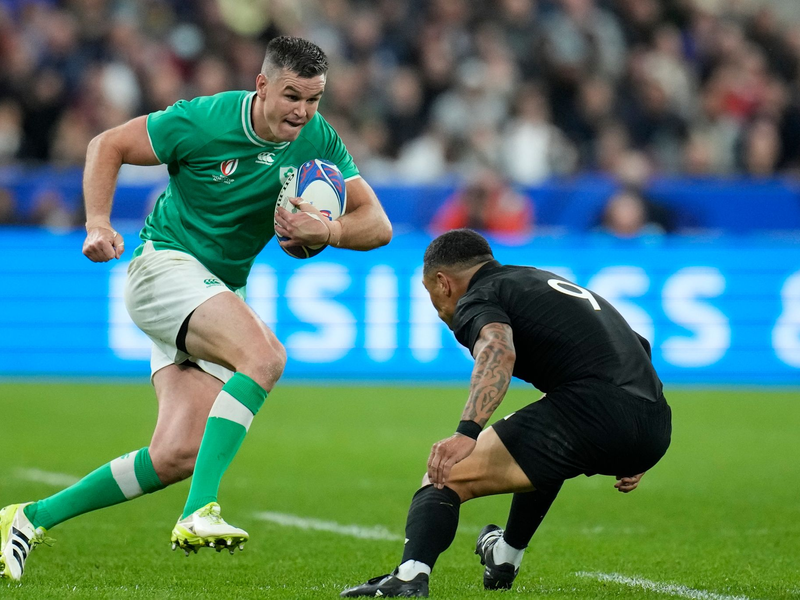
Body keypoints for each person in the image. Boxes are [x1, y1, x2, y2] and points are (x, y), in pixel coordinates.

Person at [0, 36, 392, 582]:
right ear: (261, 86)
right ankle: (199, 511)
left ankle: (26, 518)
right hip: (164, 269)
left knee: (175, 455)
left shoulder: (317, 139)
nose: (303, 111)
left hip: (212, 290)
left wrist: (327, 229)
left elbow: (379, 225)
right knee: (265, 357)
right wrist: (96, 222)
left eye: (314, 99)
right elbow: (105, 145)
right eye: (291, 96)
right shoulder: (203, 121)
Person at [341, 229, 670, 597]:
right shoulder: (535, 278)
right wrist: (639, 436)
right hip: (653, 422)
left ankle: (409, 576)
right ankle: (505, 555)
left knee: (445, 476)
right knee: (544, 445)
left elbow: (498, 350)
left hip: (596, 409)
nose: (436, 307)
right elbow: (638, 344)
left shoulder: (479, 296)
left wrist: (466, 432)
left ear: (442, 282)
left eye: (430, 294)